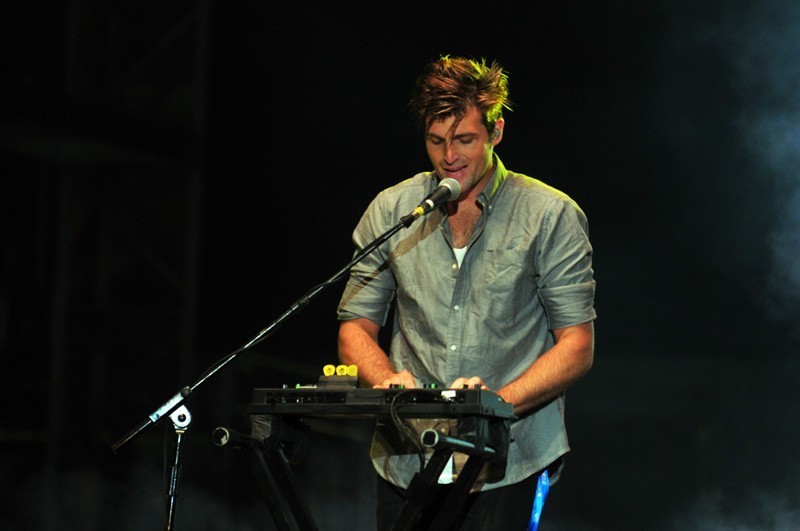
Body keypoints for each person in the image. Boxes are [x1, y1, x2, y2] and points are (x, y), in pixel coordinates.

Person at [336, 55, 596, 530]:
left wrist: (493, 405)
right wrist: (386, 381)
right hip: (407, 456)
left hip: (509, 461)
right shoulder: (392, 210)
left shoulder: (550, 214)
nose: (448, 157)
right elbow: (355, 327)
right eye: (436, 141)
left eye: (465, 140)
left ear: (496, 132)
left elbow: (577, 346)